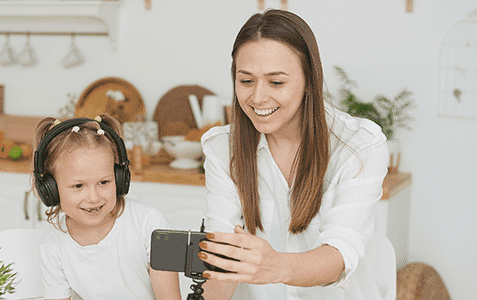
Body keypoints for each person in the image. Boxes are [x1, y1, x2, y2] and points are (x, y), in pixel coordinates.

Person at [197, 9, 396, 299]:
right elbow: (221, 261)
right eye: (246, 81)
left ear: (308, 82)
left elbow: (338, 256)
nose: (258, 97)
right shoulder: (221, 148)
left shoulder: (359, 145)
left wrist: (273, 265)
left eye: (276, 82)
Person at [32, 114, 182, 300]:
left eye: (104, 182)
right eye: (78, 186)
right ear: (51, 188)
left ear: (119, 179)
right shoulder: (53, 249)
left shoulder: (151, 223)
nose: (94, 197)